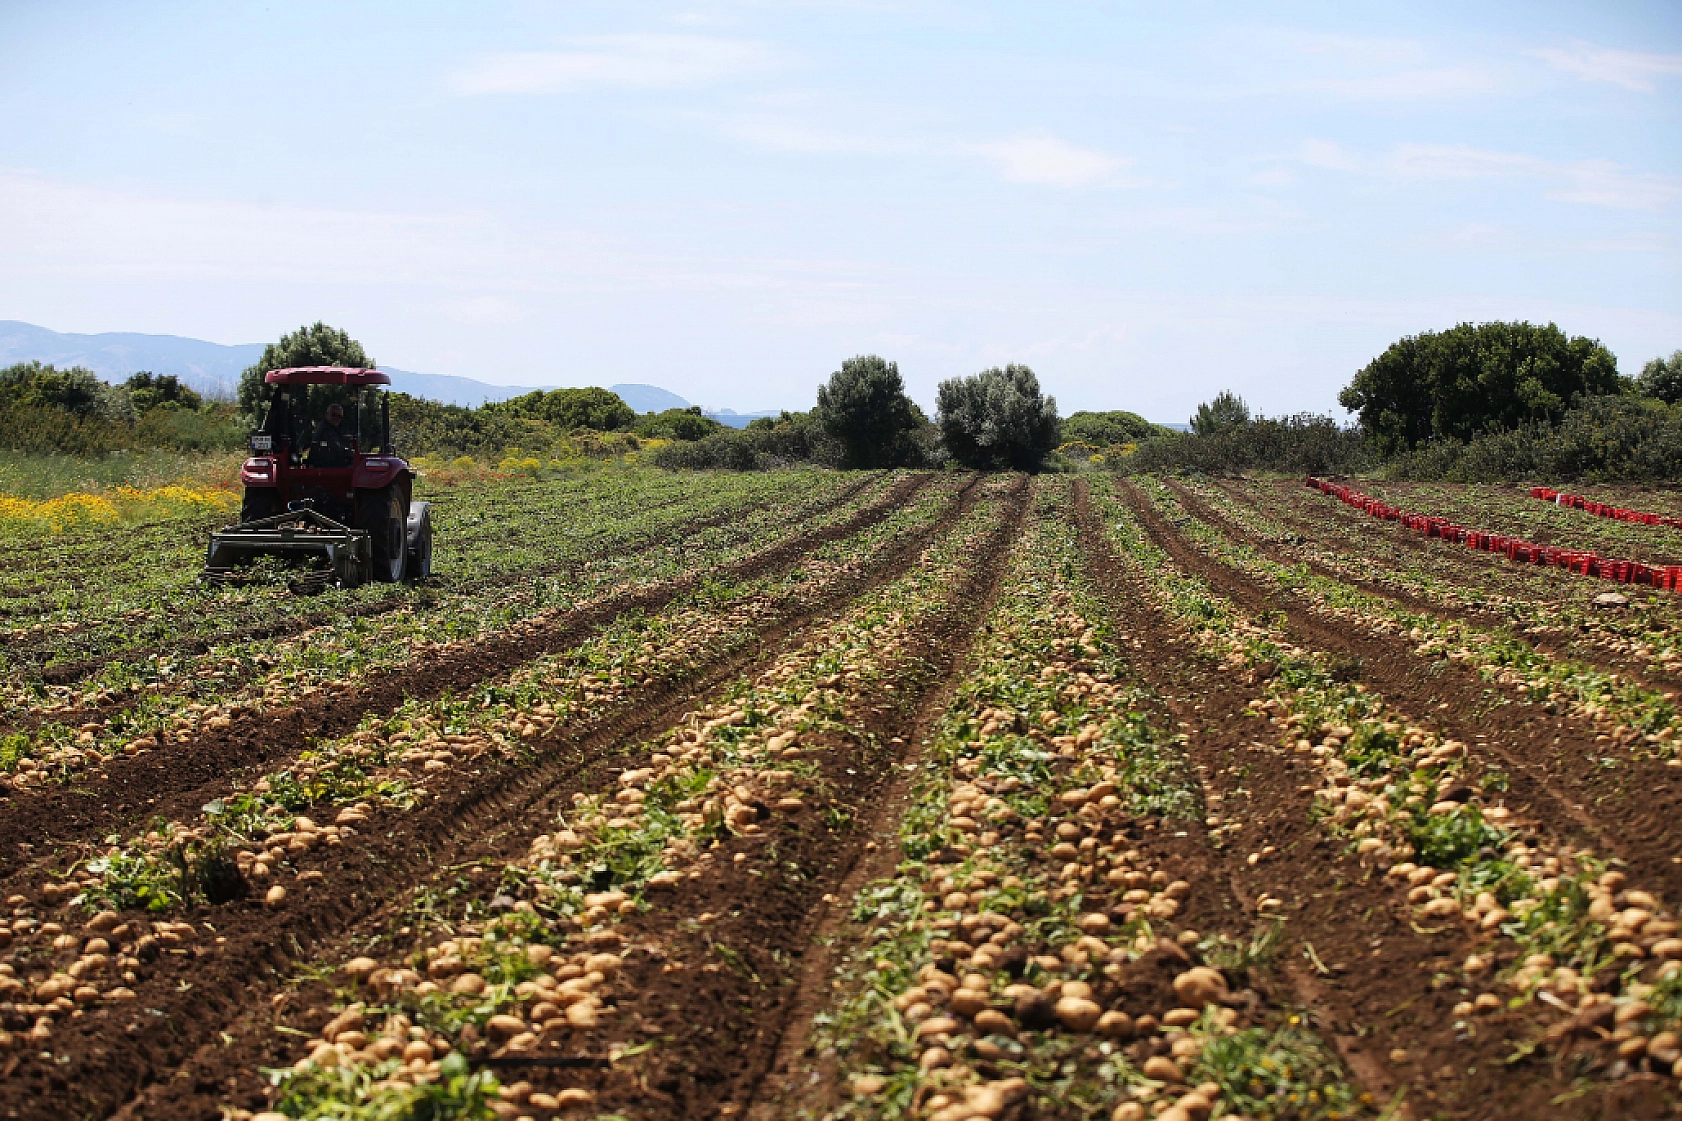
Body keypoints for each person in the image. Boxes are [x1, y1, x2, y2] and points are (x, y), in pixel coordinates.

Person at [309, 402, 353, 467]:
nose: (336, 418)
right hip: (326, 470)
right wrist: (350, 454)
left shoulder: (332, 429)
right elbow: (336, 447)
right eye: (333, 415)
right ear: (326, 414)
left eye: (339, 416)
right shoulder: (325, 430)